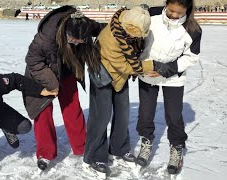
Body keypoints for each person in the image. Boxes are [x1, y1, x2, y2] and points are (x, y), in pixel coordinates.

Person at [23, 5, 106, 171]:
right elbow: (33, 61)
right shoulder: (45, 38)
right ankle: (45, 152)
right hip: (41, 73)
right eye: (74, 40)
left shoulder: (83, 24)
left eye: (80, 41)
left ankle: (82, 146)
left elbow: (102, 28)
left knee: (72, 107)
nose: (76, 43)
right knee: (43, 111)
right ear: (66, 31)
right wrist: (52, 84)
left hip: (67, 68)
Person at [83, 6, 153, 176]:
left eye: (136, 35)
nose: (133, 37)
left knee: (123, 113)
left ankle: (119, 148)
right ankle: (93, 156)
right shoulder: (111, 37)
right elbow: (125, 65)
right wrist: (151, 66)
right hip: (103, 74)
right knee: (101, 117)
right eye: (131, 33)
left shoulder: (134, 26)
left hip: (120, 77)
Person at [136, 0, 202, 174]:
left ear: (187, 10)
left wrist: (167, 69)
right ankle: (146, 142)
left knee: (174, 115)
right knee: (145, 113)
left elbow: (191, 57)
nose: (173, 15)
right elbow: (136, 35)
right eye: (171, 10)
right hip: (148, 73)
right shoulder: (152, 15)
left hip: (173, 78)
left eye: (179, 13)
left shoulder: (193, 29)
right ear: (166, 4)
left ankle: (176, 147)